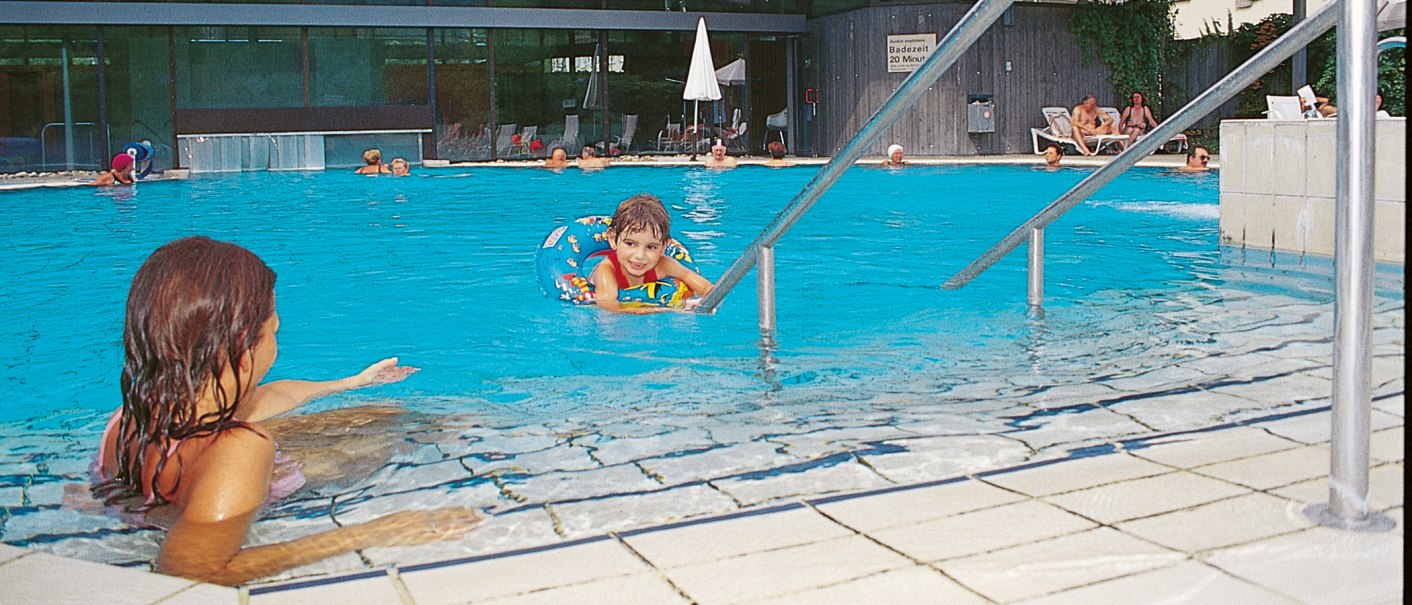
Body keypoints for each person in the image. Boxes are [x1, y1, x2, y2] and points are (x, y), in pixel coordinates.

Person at [90, 236, 481, 586]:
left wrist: (351, 383)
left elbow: (269, 396)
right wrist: (374, 532)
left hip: (181, 493)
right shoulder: (242, 447)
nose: (276, 342)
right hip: (253, 488)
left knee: (378, 413)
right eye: (273, 331)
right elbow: (190, 569)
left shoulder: (129, 416)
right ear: (244, 345)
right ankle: (470, 431)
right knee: (388, 433)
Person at [589, 194, 713, 314]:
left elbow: (693, 279)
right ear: (613, 238)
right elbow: (610, 309)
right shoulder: (606, 271)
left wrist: (708, 302)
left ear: (663, 246)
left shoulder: (663, 265)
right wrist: (669, 310)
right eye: (630, 244)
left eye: (651, 247)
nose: (640, 256)